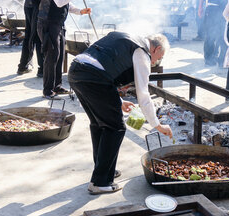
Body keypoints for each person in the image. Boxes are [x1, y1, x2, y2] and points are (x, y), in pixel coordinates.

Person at [68, 32, 173, 195]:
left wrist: (119, 101)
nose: (156, 62)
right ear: (156, 49)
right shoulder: (142, 54)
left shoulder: (127, 37)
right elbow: (143, 96)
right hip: (94, 78)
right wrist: (157, 125)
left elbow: (104, 65)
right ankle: (100, 181)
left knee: (99, 124)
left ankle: (103, 168)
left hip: (77, 70)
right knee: (115, 127)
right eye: (159, 57)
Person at [37, 0, 91, 99]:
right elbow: (59, 1)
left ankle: (57, 86)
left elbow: (67, 4)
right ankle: (47, 90)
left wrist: (80, 11)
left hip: (58, 24)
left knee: (59, 56)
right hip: (48, 24)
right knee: (51, 56)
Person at [17, 0, 61, 76]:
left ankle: (27, 66)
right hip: (34, 8)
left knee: (33, 37)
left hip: (30, 6)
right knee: (37, 38)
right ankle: (37, 68)